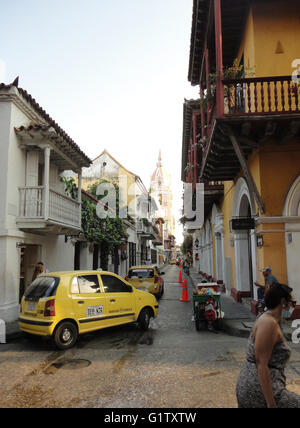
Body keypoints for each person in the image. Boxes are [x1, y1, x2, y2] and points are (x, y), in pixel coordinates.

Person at [236, 283, 300, 408]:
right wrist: (271, 404)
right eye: (292, 303)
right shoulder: (268, 323)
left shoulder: (272, 320)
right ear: (283, 302)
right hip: (258, 389)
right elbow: (262, 364)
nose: (293, 307)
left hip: (266, 386)